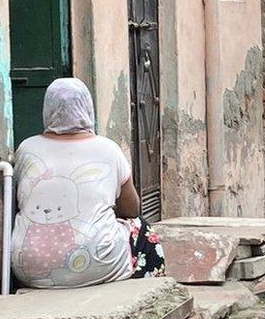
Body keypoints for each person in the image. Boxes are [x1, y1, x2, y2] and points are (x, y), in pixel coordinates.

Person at [11, 78, 165, 289]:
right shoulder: (108, 149)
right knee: (143, 230)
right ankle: (149, 295)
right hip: (95, 263)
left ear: (47, 110)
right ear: (87, 108)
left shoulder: (26, 149)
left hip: (28, 268)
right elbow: (132, 208)